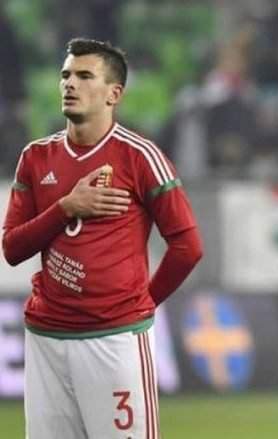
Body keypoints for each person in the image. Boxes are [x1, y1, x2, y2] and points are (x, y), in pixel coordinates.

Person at [2, 38, 203, 438]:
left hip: (113, 340)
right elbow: (12, 248)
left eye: (84, 75)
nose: (69, 84)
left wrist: (142, 304)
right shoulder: (36, 157)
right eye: (65, 75)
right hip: (47, 338)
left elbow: (188, 247)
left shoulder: (140, 156)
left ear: (114, 94)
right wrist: (66, 207)